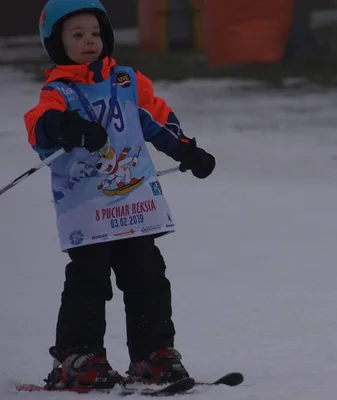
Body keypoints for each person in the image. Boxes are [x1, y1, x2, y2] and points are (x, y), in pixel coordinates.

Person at [23, 0, 215, 390]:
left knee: (147, 276)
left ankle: (153, 354)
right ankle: (79, 356)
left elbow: (158, 118)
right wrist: (67, 127)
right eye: (77, 35)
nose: (89, 42)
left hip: (134, 205)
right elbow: (38, 127)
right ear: (58, 44)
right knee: (89, 280)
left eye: (95, 33)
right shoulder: (59, 91)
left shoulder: (127, 82)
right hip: (88, 211)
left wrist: (187, 150)